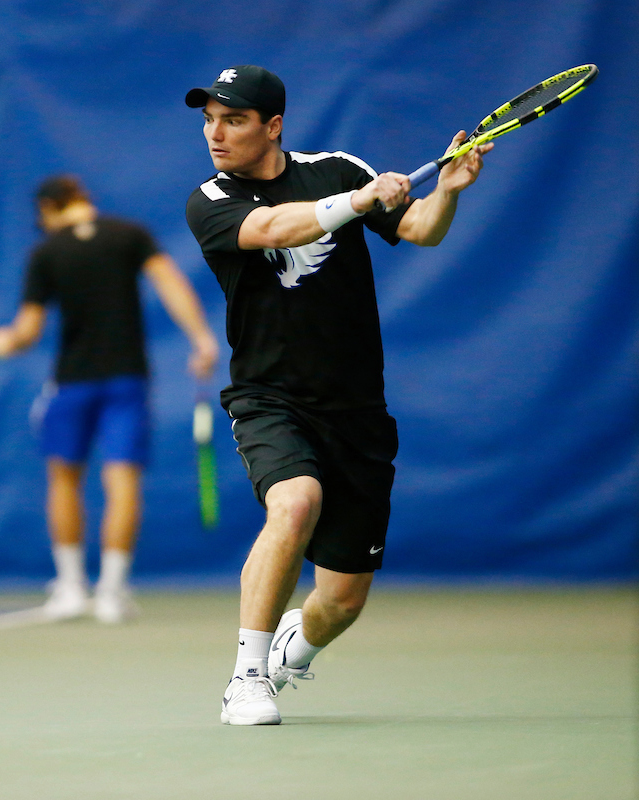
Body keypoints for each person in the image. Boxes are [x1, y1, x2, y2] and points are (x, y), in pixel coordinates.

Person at [183, 65, 492, 724]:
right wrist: (360, 200)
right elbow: (274, 231)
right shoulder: (209, 198)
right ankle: (246, 677)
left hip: (356, 412)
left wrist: (451, 192)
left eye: (233, 119)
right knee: (295, 504)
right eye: (209, 118)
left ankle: (296, 649)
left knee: (341, 603)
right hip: (268, 397)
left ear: (273, 126)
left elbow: (418, 229)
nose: (216, 132)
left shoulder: (338, 167)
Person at [0, 175, 219, 624]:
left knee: (63, 479)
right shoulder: (129, 234)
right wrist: (202, 340)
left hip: (71, 382)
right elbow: (171, 284)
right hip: (127, 380)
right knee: (123, 481)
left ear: (51, 209)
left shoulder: (46, 251)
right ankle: (112, 592)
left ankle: (72, 588)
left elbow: (27, 332)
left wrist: (4, 342)